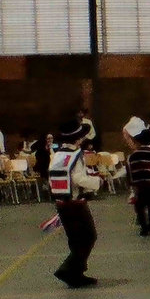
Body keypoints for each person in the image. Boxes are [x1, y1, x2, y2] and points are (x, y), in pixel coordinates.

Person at [46, 119, 101, 288]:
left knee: (75, 239)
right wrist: (97, 181)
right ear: (77, 139)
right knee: (88, 236)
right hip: (76, 203)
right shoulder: (76, 155)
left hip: (61, 203)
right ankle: (68, 269)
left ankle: (77, 274)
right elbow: (78, 178)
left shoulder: (58, 154)